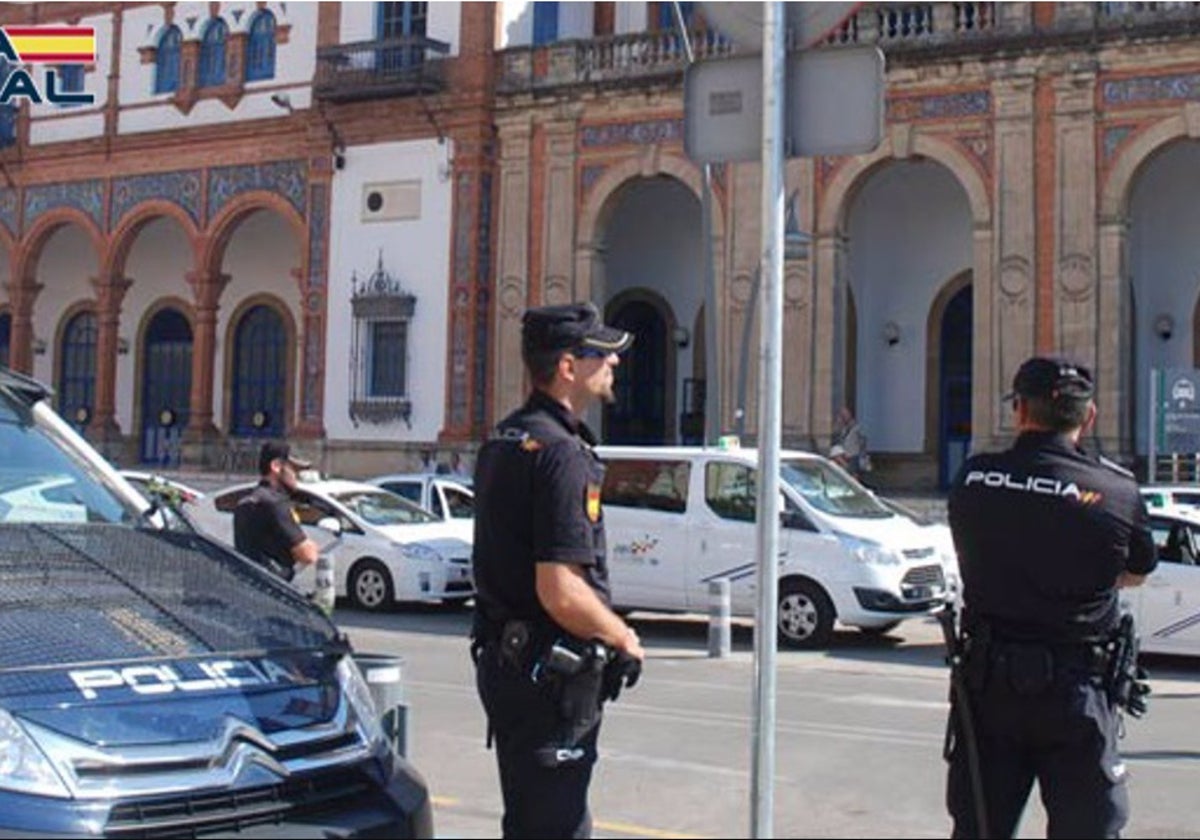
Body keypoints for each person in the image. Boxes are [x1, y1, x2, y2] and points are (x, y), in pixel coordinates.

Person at [945, 356, 1157, 839]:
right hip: (1077, 690)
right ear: (1089, 417)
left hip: (989, 688)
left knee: (979, 827)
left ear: (1019, 410)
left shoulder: (975, 478)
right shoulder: (1117, 491)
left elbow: (974, 549)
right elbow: (1137, 571)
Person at [471, 301, 646, 839]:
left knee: (528, 820)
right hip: (549, 677)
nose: (613, 363)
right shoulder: (562, 453)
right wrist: (623, 636)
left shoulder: (504, 438)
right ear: (568, 367)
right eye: (602, 354)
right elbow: (560, 588)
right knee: (558, 826)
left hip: (506, 664)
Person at [233, 441, 319, 583]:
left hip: (246, 586)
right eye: (294, 469)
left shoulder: (247, 501)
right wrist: (312, 546)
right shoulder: (275, 503)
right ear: (276, 466)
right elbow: (308, 555)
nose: (296, 476)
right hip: (272, 589)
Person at [832, 406, 868, 477]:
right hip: (844, 455)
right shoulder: (843, 428)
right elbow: (837, 437)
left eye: (846, 414)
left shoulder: (857, 428)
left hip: (853, 455)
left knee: (853, 474)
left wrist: (862, 454)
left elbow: (863, 441)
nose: (844, 416)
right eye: (842, 414)